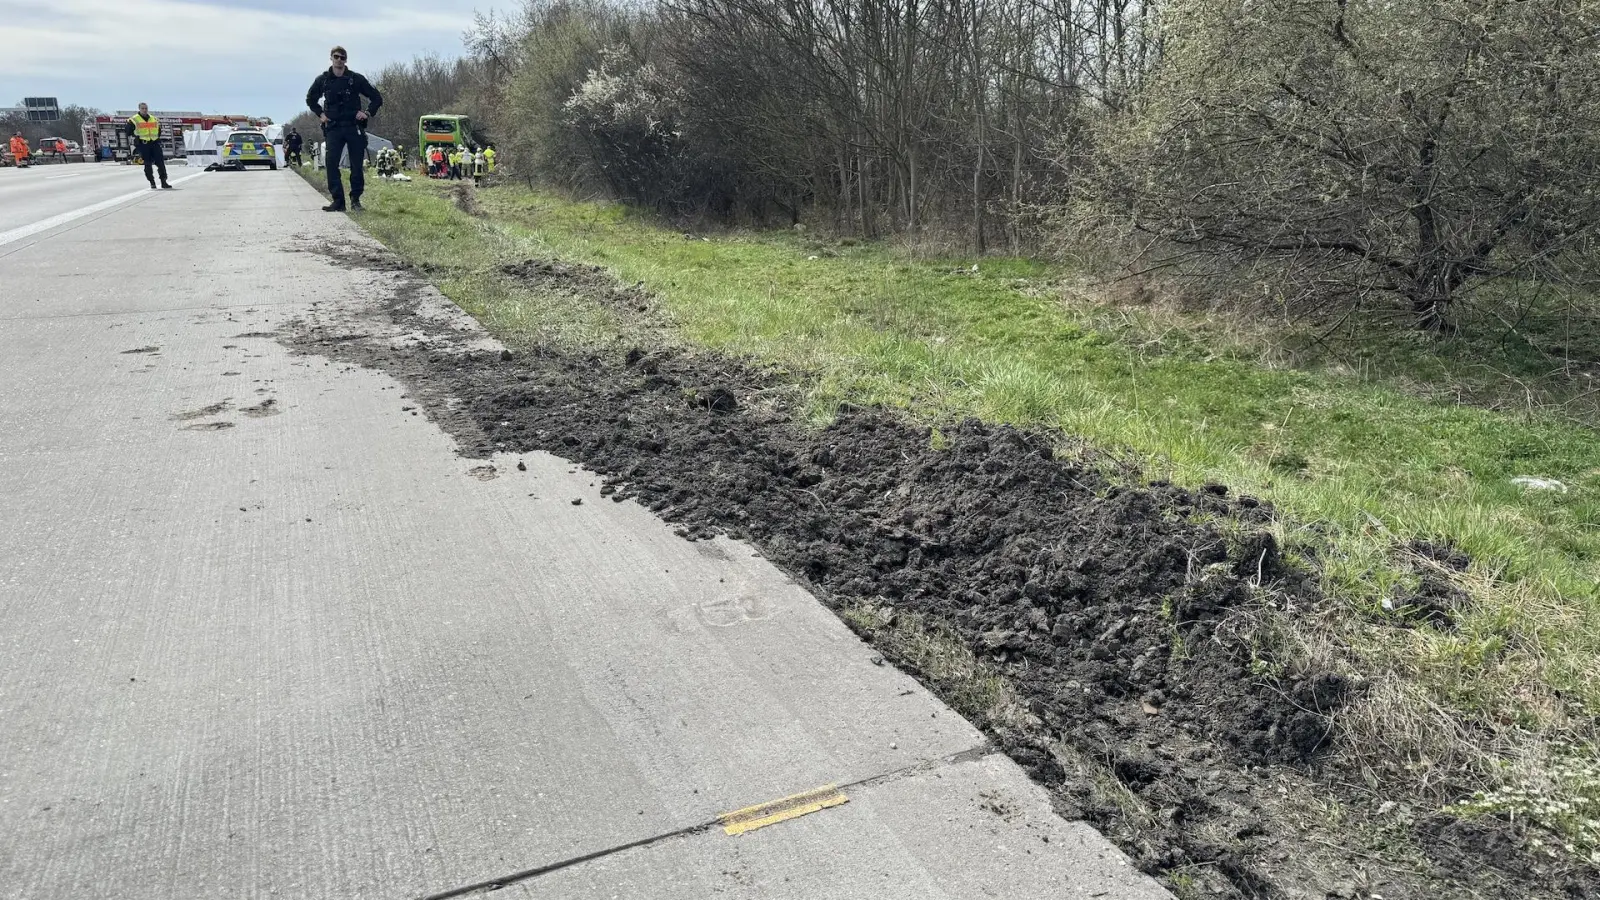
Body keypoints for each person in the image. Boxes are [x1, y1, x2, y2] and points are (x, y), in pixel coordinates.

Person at [304, 45, 383, 212]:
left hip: (353, 127)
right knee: (331, 164)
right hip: (333, 127)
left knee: (356, 165)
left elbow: (376, 97)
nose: (339, 60)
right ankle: (338, 201)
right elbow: (310, 99)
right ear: (331, 58)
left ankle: (355, 200)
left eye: (342, 57)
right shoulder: (323, 80)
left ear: (346, 60)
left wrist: (367, 113)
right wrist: (321, 114)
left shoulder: (355, 79)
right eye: (336, 57)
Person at [125, 103, 171, 189]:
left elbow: (159, 131)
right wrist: (135, 136)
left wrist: (156, 138)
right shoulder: (134, 119)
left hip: (154, 143)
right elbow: (128, 132)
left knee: (161, 163)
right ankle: (152, 182)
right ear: (139, 109)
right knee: (147, 164)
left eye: (146, 108)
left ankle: (164, 182)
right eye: (142, 108)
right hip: (143, 144)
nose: (144, 110)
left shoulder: (153, 119)